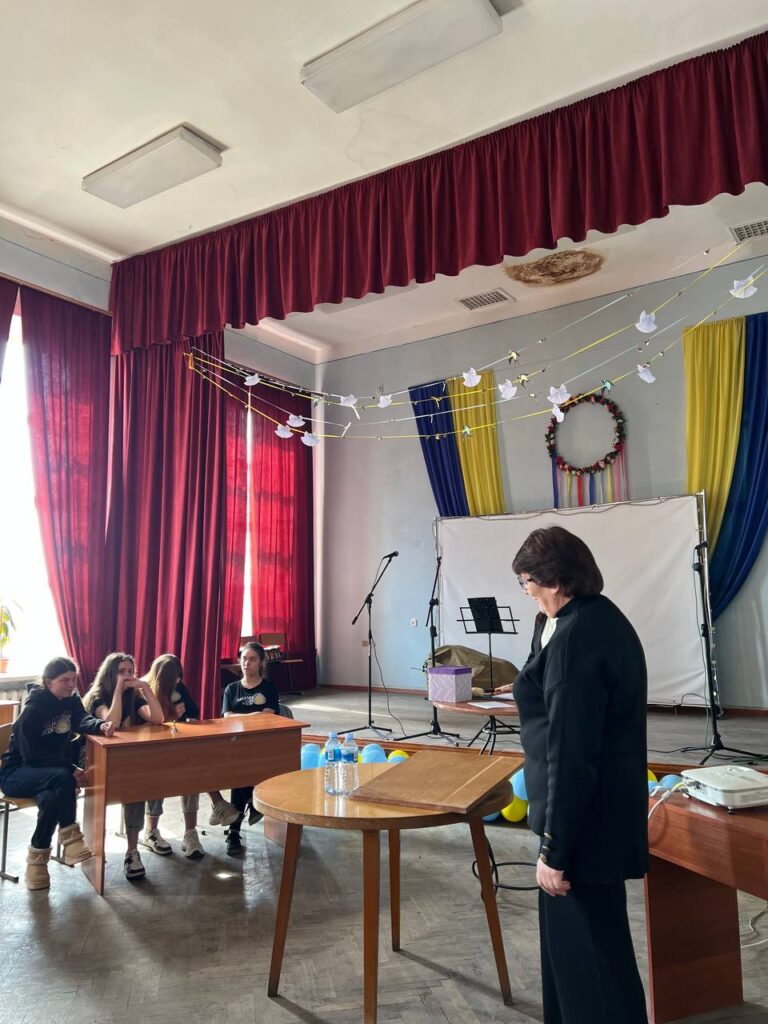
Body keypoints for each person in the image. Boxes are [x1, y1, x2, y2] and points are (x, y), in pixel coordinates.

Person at [496, 526, 648, 1024]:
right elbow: (543, 681)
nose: (525, 592)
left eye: (527, 581)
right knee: (571, 960)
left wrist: (554, 850)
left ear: (555, 580)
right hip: (585, 818)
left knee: (594, 967)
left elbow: (571, 753)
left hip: (584, 828)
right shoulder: (577, 619)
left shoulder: (577, 639)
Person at [0, 657, 115, 890]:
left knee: (51, 799)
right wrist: (71, 768)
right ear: (48, 681)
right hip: (17, 773)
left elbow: (81, 718)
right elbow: (32, 757)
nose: (71, 684)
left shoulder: (71, 700)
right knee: (63, 777)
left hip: (47, 773)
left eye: (73, 679)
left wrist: (99, 725)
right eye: (64, 680)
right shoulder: (32, 710)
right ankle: (71, 838)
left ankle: (37, 865)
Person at [141, 653, 238, 860]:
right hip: (151, 752)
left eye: (179, 679)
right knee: (164, 774)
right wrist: (172, 715)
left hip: (178, 746)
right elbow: (147, 725)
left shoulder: (177, 686)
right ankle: (151, 830)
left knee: (193, 767)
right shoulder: (144, 690)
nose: (177, 683)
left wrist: (187, 719)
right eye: (173, 680)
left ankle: (190, 832)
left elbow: (193, 710)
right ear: (161, 678)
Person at [82, 652, 165, 880]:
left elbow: (157, 718)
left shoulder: (133, 695)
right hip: (95, 760)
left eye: (130, 671)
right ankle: (104, 850)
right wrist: (118, 690)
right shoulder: (98, 696)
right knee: (135, 780)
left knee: (148, 776)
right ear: (110, 673)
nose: (127, 676)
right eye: (121, 672)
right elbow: (112, 723)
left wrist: (145, 688)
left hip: (125, 760)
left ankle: (134, 848)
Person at [218, 641, 279, 855]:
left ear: (261, 662)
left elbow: (268, 716)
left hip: (263, 744)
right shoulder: (231, 689)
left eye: (252, 659)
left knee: (241, 773)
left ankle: (234, 830)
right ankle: (250, 806)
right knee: (239, 769)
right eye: (244, 658)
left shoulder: (268, 687)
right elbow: (226, 717)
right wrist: (255, 715)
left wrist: (242, 717)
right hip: (236, 744)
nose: (247, 663)